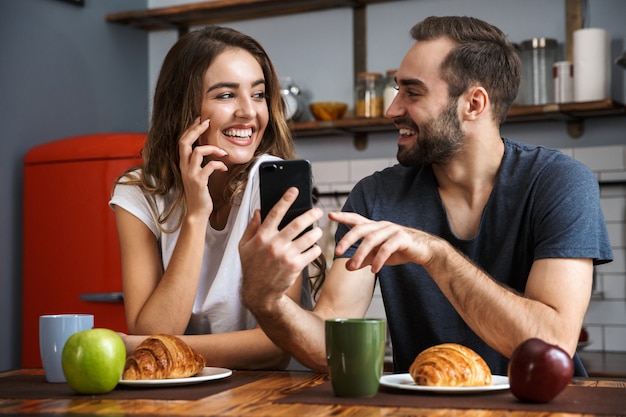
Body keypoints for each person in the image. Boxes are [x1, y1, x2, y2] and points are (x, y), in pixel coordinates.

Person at [239, 16, 613, 376]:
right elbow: (328, 347)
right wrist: (268, 303)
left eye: (412, 92)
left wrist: (435, 254)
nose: (392, 109)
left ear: (474, 104)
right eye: (397, 89)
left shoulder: (559, 182)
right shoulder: (376, 196)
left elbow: (552, 344)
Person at [109, 25, 322, 370]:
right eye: (226, 95)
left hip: (266, 392)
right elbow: (152, 333)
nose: (249, 112)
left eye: (258, 94)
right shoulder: (138, 192)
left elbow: (274, 345)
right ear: (182, 106)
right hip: (177, 392)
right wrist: (195, 215)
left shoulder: (276, 186)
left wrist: (150, 348)